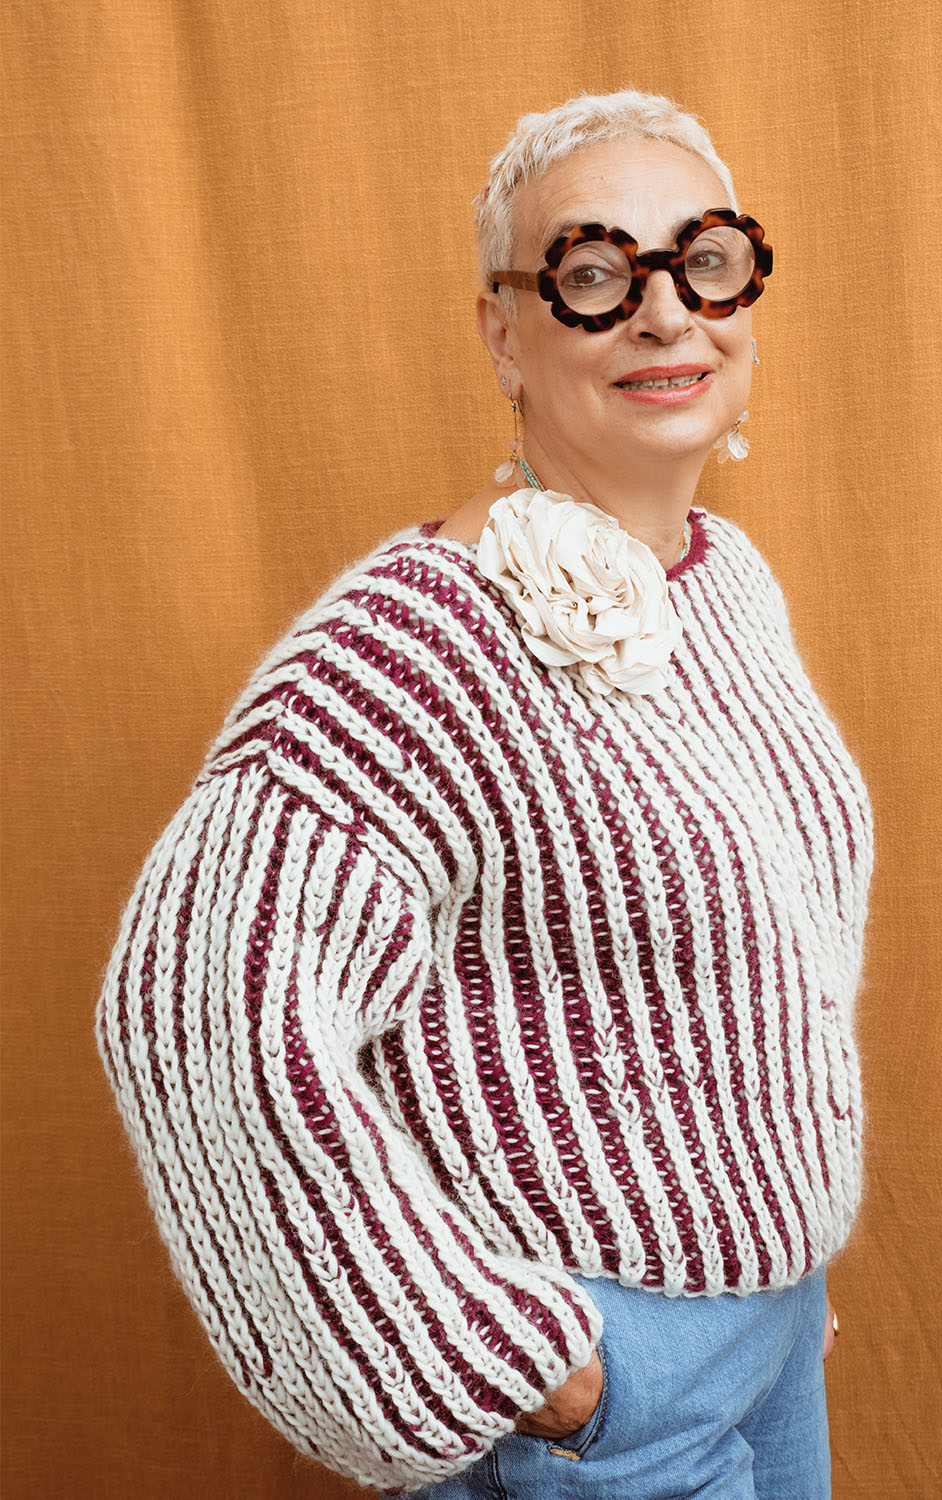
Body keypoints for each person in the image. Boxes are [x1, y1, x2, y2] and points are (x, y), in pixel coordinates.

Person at [96, 90, 874, 1499]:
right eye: (595, 274)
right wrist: (526, 1368)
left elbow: (764, 945)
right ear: (505, 332)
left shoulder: (726, 583)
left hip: (768, 1340)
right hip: (609, 1408)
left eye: (703, 262)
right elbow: (195, 1006)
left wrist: (775, 1268)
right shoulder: (422, 635)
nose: (665, 314)